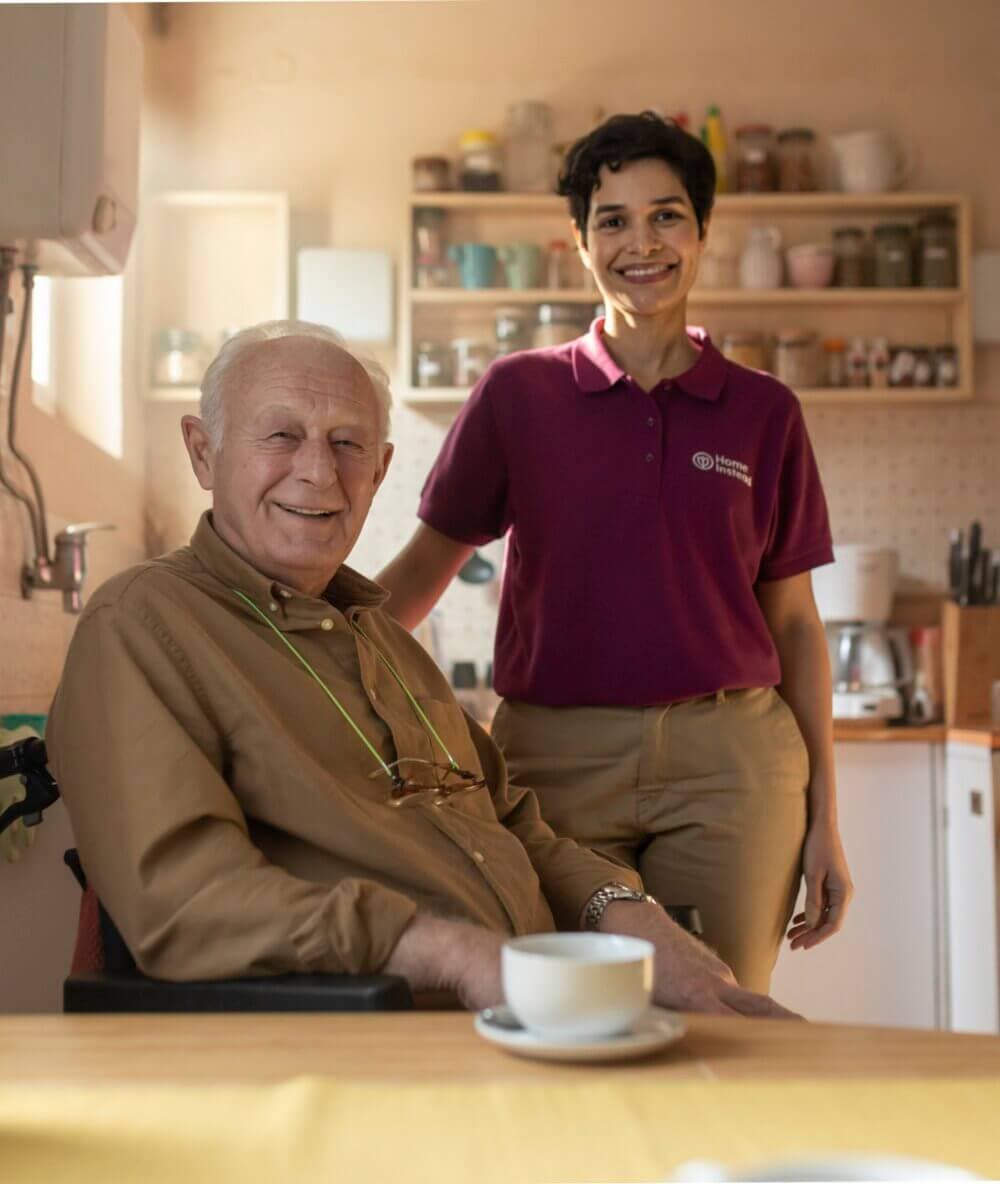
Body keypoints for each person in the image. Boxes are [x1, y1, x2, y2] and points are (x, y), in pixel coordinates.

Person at [46, 319, 793, 1018]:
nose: (318, 472)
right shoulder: (143, 623)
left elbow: (510, 824)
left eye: (348, 445)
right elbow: (185, 902)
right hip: (378, 1039)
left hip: (531, 1015)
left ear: (381, 472)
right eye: (281, 435)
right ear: (203, 451)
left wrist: (635, 922)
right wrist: (450, 953)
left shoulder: (387, 640)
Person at [378, 113, 853, 994]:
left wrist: (828, 814)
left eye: (667, 216)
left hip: (732, 767)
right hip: (552, 767)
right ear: (579, 242)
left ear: (703, 232)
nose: (643, 243)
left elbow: (794, 625)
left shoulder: (765, 412)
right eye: (614, 220)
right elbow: (418, 574)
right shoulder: (518, 394)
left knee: (719, 1014)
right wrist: (297, 666)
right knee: (568, 1009)